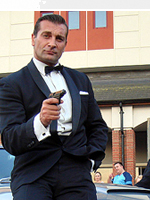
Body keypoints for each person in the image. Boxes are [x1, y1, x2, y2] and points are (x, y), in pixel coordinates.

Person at [0, 14, 108, 200]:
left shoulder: (80, 80)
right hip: (33, 173)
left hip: (77, 173)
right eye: (46, 35)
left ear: (65, 43)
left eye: (59, 38)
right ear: (33, 39)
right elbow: (10, 139)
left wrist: (90, 161)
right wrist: (40, 121)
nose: (52, 43)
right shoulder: (12, 84)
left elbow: (97, 126)